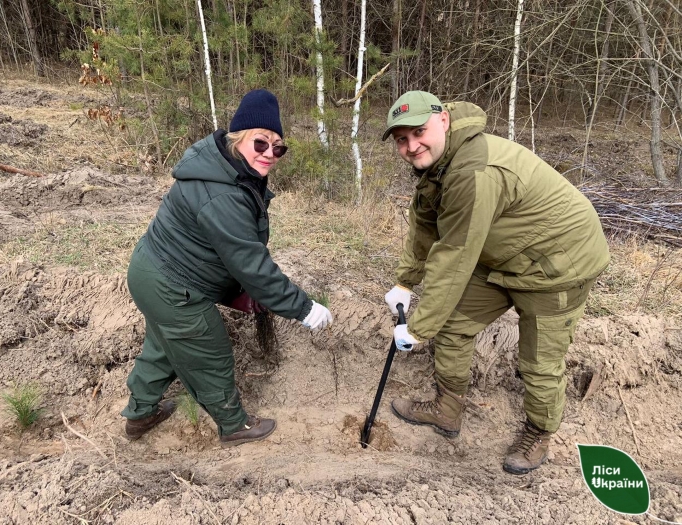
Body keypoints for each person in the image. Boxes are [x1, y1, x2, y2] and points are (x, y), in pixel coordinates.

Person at [381, 91, 610, 475]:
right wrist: (405, 282)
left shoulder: (473, 171)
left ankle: (539, 432)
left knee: (538, 363)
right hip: (502, 257)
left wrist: (418, 328)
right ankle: (447, 410)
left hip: (557, 266)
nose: (411, 145)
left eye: (418, 132)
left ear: (443, 121)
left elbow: (454, 254)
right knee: (454, 326)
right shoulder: (438, 165)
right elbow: (424, 225)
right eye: (401, 139)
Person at [121, 89, 333, 447]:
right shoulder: (222, 193)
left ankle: (140, 415)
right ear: (238, 138)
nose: (269, 154)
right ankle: (233, 424)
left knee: (161, 347)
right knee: (209, 352)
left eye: (278, 148)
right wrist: (303, 307)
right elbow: (250, 262)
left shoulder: (227, 169)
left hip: (152, 270)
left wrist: (238, 289)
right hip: (174, 286)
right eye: (261, 143)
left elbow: (224, 248)